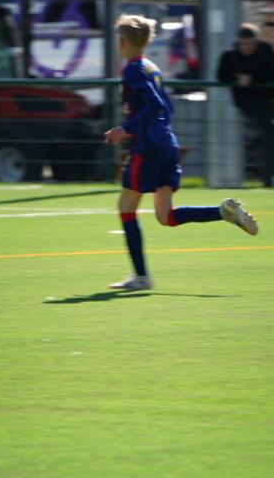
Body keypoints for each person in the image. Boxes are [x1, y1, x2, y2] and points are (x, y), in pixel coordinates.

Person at [104, 15, 260, 291]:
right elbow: (167, 107)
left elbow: (155, 105)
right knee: (165, 216)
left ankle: (141, 277)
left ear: (123, 42)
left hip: (148, 148)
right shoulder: (152, 67)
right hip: (167, 144)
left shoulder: (133, 70)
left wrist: (125, 128)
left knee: (125, 207)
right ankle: (223, 212)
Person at [216, 23, 274, 187]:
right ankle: (272, 176)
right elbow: (221, 75)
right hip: (245, 103)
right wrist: (237, 79)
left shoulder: (266, 51)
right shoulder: (229, 55)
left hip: (267, 102)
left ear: (256, 41)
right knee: (272, 134)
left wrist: (252, 79)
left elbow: (272, 74)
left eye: (250, 44)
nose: (247, 47)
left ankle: (272, 176)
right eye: (243, 44)